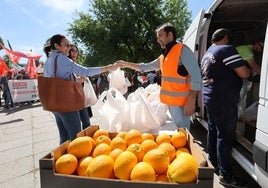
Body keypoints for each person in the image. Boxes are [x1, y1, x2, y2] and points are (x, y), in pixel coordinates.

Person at [116, 22, 202, 130]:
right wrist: (126, 64)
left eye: (160, 36)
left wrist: (191, 100)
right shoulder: (163, 56)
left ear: (170, 35)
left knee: (182, 136)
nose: (157, 40)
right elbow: (146, 67)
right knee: (178, 136)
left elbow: (197, 76)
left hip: (182, 105)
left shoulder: (182, 50)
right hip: (171, 104)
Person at [43, 34, 117, 144]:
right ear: (56, 46)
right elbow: (85, 71)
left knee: (64, 138)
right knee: (76, 137)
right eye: (66, 45)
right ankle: (73, 160)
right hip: (66, 103)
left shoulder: (49, 60)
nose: (69, 47)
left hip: (54, 103)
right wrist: (107, 68)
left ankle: (61, 159)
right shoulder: (61, 59)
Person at [200, 28, 250, 187]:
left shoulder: (208, 53)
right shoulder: (226, 49)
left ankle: (213, 161)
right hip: (223, 100)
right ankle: (226, 176)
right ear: (226, 38)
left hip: (211, 97)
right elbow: (244, 73)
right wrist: (248, 68)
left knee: (213, 130)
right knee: (225, 137)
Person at [68, 44, 92, 130]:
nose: (74, 53)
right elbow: (66, 81)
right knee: (76, 126)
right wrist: (78, 80)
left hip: (81, 97)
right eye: (72, 51)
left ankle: (87, 141)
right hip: (71, 99)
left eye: (76, 51)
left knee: (86, 122)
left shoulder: (77, 66)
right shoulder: (66, 65)